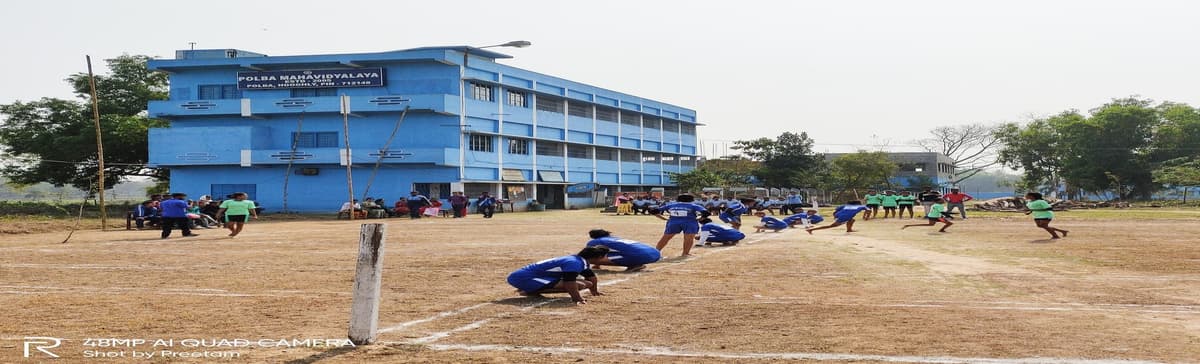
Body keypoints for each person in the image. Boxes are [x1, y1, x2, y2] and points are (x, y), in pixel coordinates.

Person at [506, 246, 608, 305]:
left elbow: (591, 277)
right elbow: (569, 282)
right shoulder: (574, 263)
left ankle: (530, 288)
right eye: (604, 257)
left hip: (533, 276)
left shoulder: (578, 260)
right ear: (598, 257)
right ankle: (529, 290)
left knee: (588, 284)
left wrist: (594, 291)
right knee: (579, 285)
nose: (604, 259)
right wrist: (577, 298)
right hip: (523, 278)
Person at [585, 229, 661, 272]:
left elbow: (591, 254)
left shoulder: (596, 241)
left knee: (588, 259)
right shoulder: (615, 238)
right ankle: (636, 263)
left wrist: (596, 263)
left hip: (640, 255)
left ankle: (635, 264)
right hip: (655, 253)